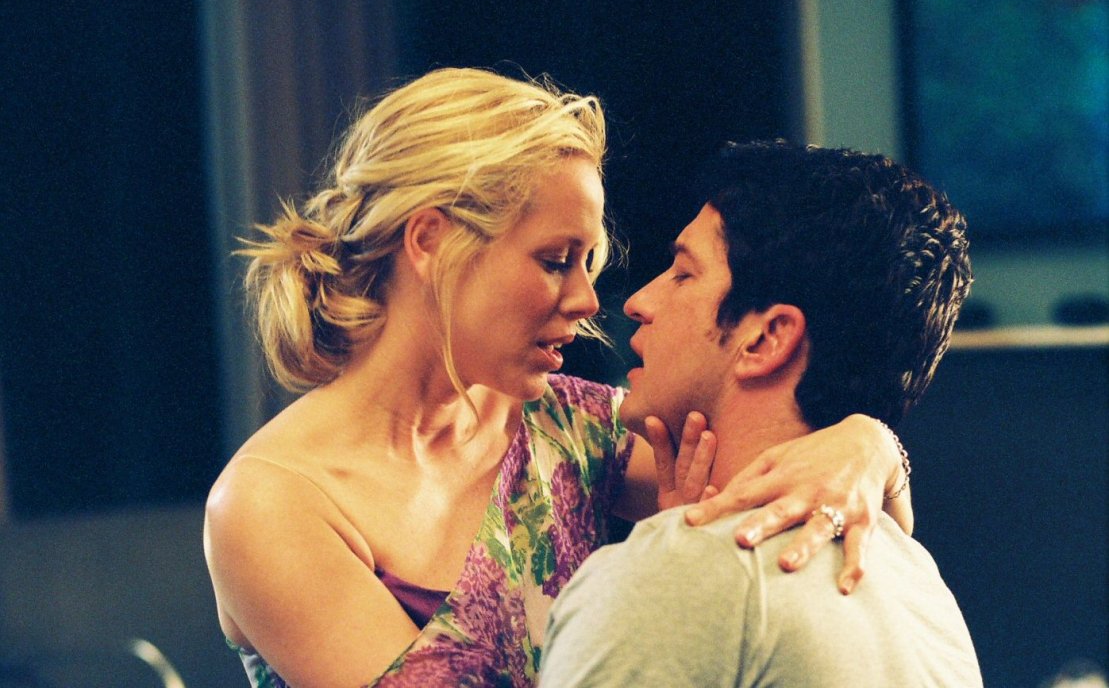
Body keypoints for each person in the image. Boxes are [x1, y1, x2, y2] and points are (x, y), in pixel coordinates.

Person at [203, 69, 913, 688]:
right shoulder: (272, 503)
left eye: (587, 262)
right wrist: (661, 581)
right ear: (430, 240)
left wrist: (869, 444)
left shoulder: (575, 430)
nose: (586, 300)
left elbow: (842, 526)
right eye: (555, 261)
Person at [539, 140, 982, 687]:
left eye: (683, 273)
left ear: (766, 339)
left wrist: (672, 571)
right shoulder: (921, 587)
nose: (638, 302)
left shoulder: (672, 578)